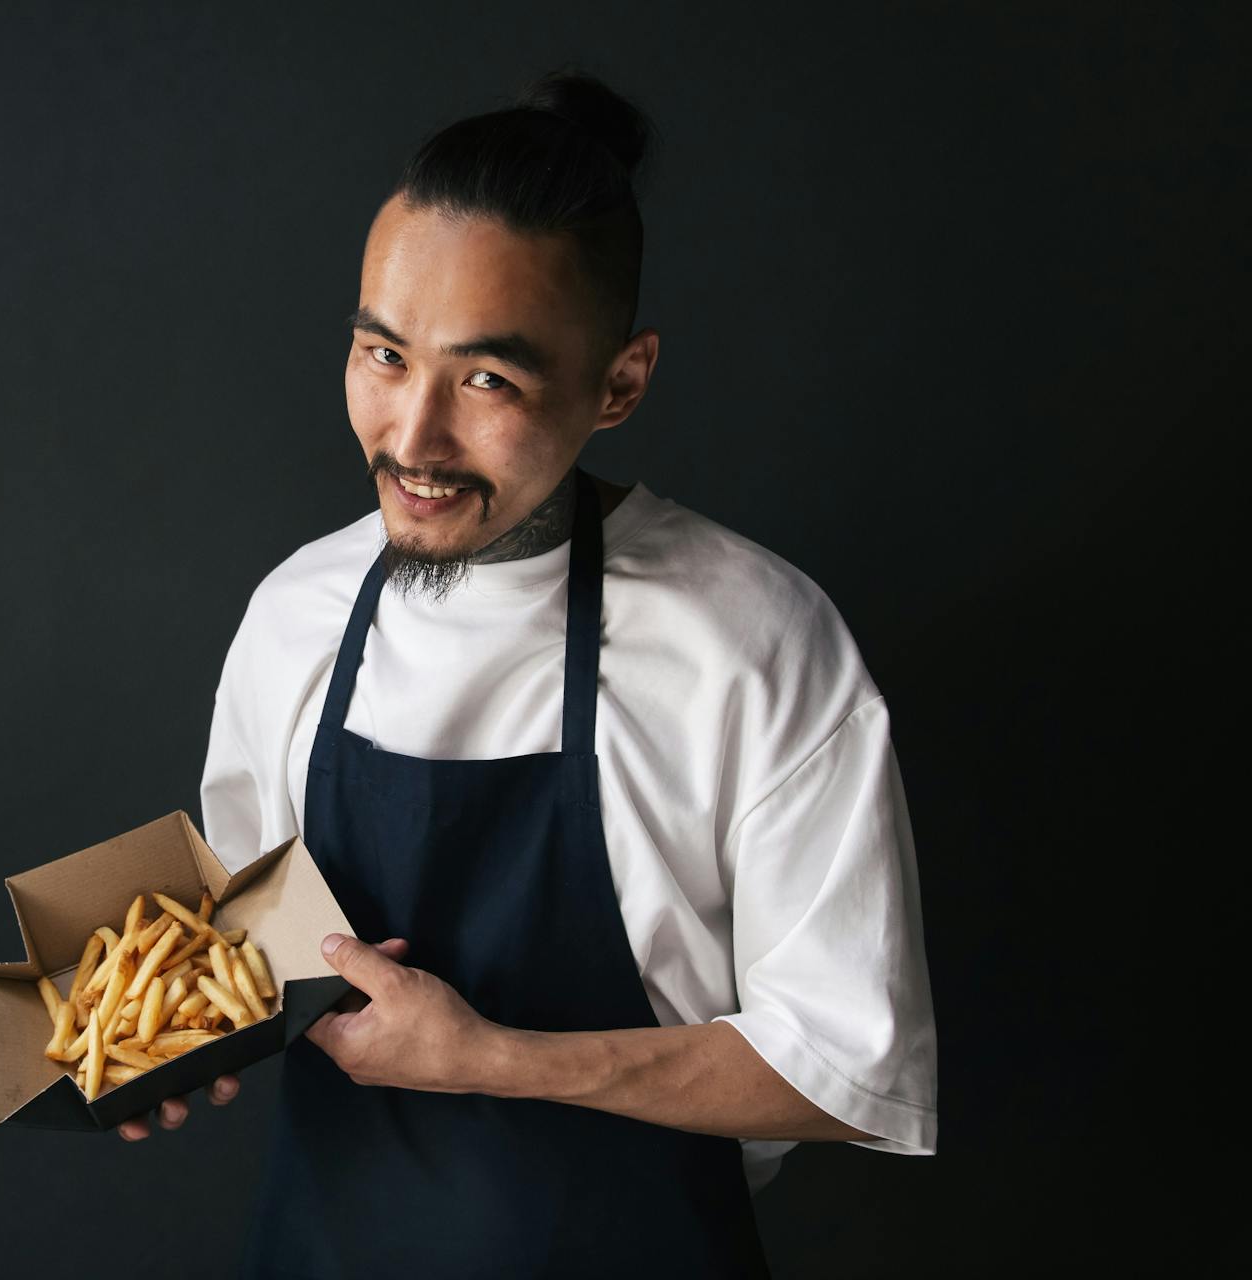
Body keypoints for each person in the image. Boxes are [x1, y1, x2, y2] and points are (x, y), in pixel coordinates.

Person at [115, 66, 937, 1277]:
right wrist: (159, 1041)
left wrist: (494, 1056)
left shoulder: (752, 637)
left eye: (486, 379)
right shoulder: (298, 612)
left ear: (621, 383)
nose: (411, 437)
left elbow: (849, 1068)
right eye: (383, 354)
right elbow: (254, 939)